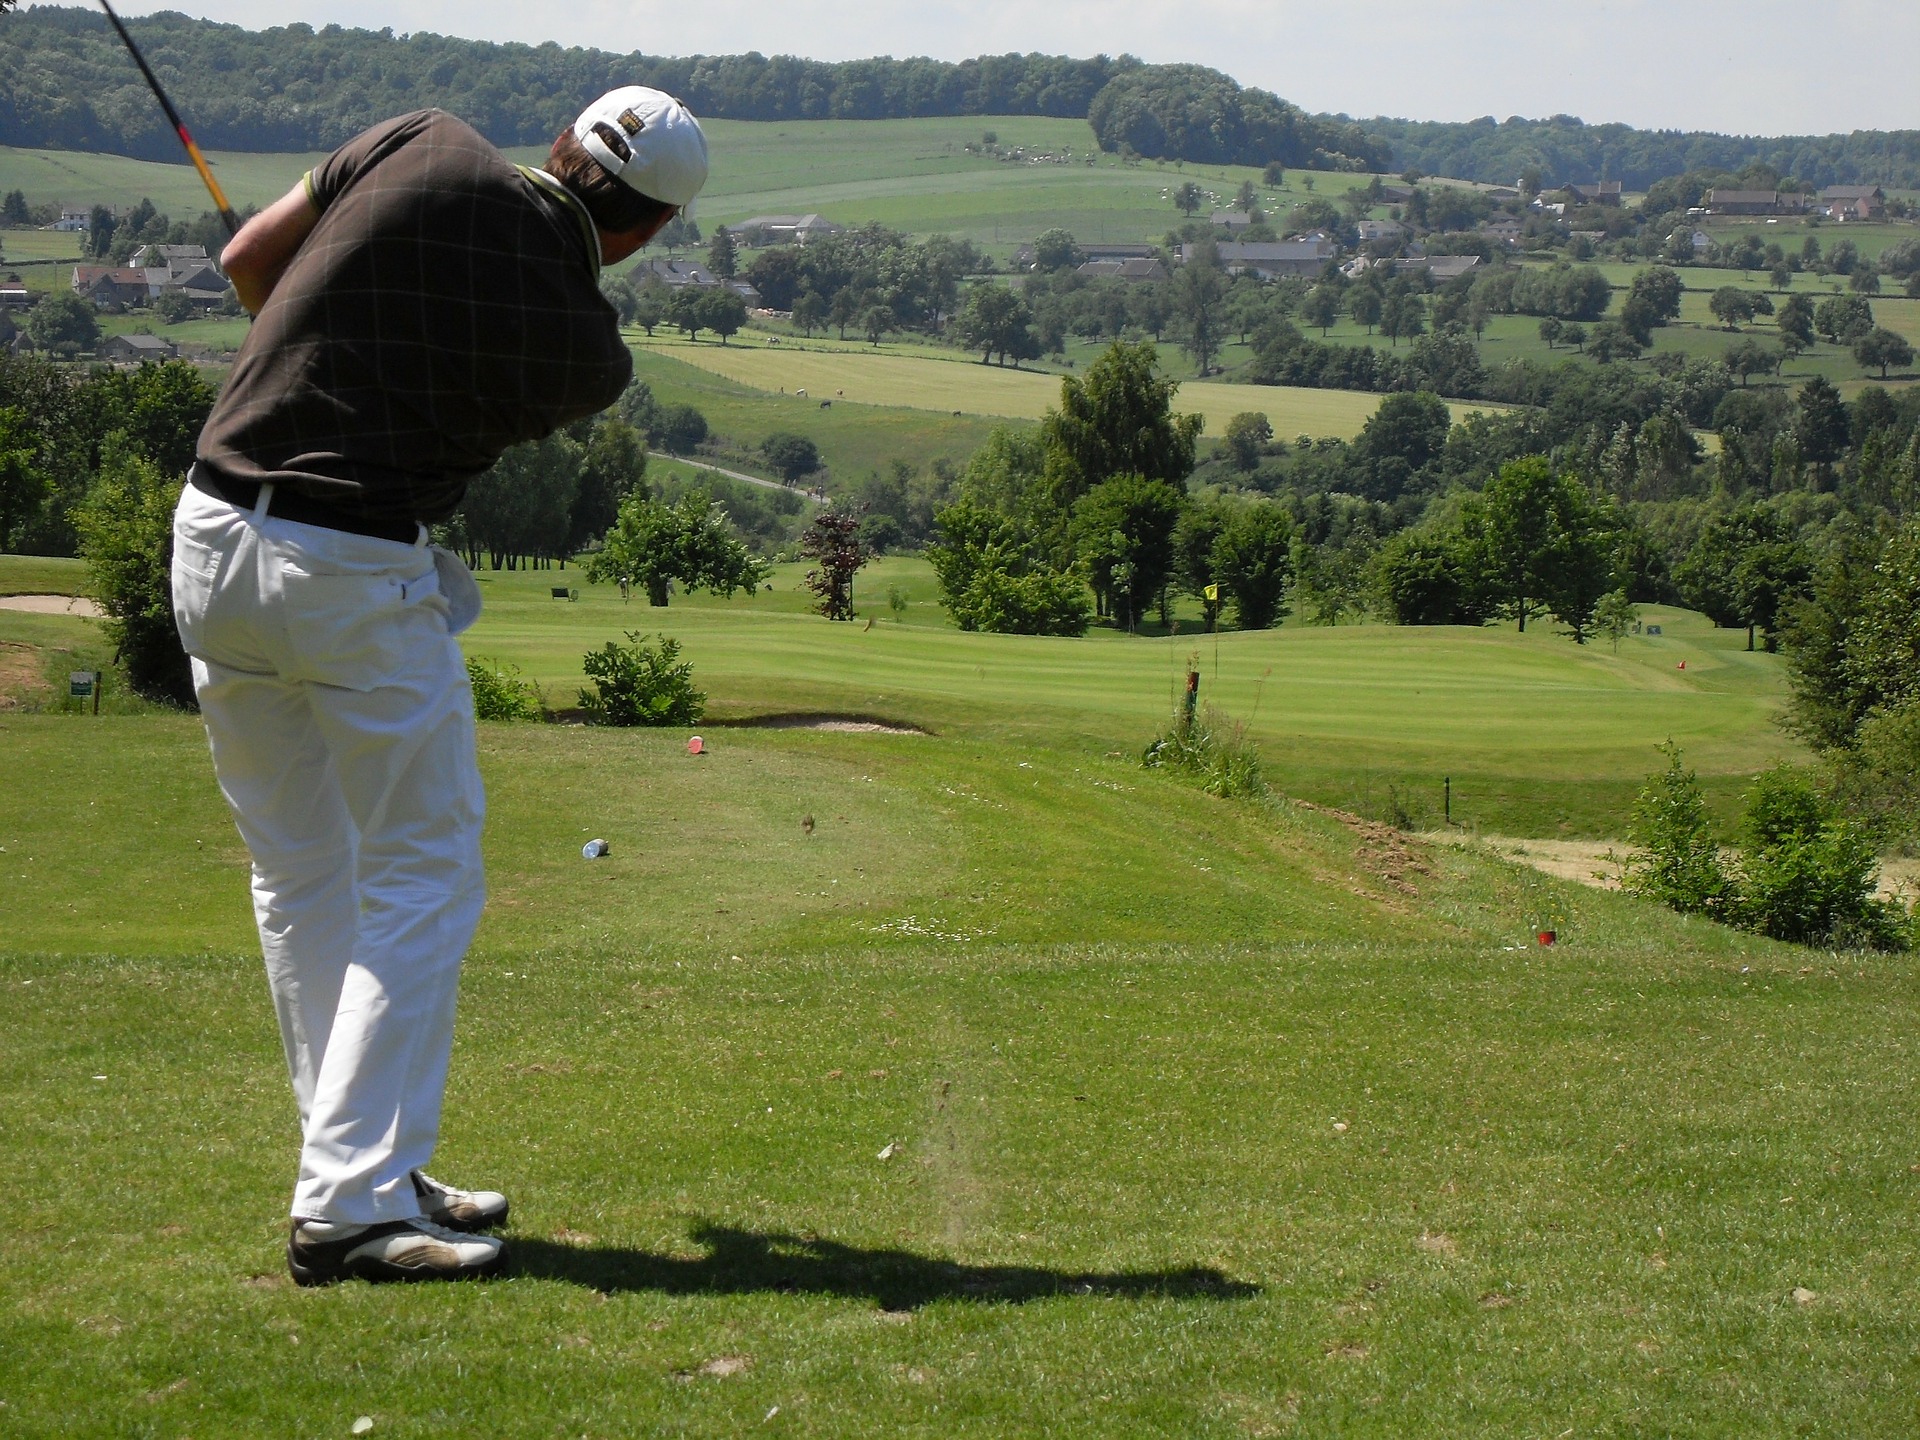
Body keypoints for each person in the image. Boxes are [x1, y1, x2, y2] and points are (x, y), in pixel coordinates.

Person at [170, 89, 707, 1285]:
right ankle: (350, 1203)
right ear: (647, 231)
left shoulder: (423, 138)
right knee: (424, 868)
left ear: (563, 142)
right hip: (348, 567)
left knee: (302, 873)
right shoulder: (588, 354)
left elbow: (251, 260)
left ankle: (360, 1164)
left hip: (209, 533)